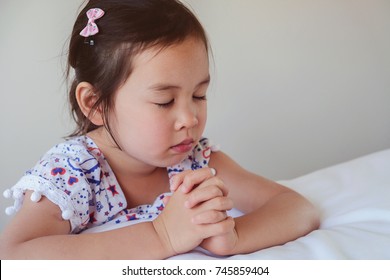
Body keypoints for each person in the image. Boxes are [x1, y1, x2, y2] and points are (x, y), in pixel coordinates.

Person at [0, 0, 319, 259]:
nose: (190, 118)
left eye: (199, 95)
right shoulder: (70, 176)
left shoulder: (195, 163)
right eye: (165, 101)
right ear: (96, 103)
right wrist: (161, 235)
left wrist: (235, 237)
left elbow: (297, 208)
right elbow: (13, 255)